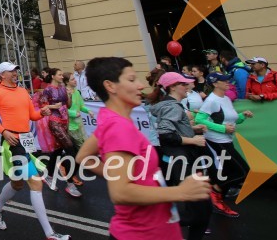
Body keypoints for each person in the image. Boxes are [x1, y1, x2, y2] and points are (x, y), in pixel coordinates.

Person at [76, 57, 211, 240]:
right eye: (132, 80)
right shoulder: (119, 127)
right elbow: (121, 193)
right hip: (142, 233)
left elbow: (83, 156)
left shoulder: (112, 120)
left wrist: (121, 174)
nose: (140, 86)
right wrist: (180, 192)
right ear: (110, 86)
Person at [0, 62, 65, 240]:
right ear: (2, 75)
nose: (15, 73)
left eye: (16, 70)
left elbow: (32, 115)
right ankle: (50, 234)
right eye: (11, 71)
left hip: (26, 140)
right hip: (13, 142)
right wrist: (4, 131)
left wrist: (43, 113)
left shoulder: (23, 91)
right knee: (36, 183)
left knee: (17, 184)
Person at [148, 72, 211, 240]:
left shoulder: (170, 104)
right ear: (173, 87)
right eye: (184, 84)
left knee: (198, 208)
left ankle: (158, 223)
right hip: (180, 159)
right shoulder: (172, 106)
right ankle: (154, 223)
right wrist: (193, 140)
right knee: (201, 210)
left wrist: (193, 129)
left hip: (175, 158)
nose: (188, 87)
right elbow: (166, 134)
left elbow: (171, 129)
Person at [195, 72, 253, 217]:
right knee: (242, 171)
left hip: (227, 141)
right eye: (224, 80)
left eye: (228, 80)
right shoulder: (211, 100)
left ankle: (217, 198)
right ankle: (215, 192)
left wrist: (242, 116)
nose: (229, 82)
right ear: (215, 83)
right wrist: (222, 129)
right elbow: (199, 120)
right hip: (216, 141)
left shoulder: (226, 98)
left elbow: (230, 120)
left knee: (231, 172)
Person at [38, 69, 81, 197]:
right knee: (71, 150)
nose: (62, 76)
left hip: (64, 121)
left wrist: (69, 95)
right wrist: (52, 107)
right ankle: (70, 184)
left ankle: (48, 175)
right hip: (54, 122)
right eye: (60, 75)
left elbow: (68, 105)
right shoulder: (48, 90)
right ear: (53, 76)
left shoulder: (62, 88)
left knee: (57, 150)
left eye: (63, 74)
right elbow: (42, 106)